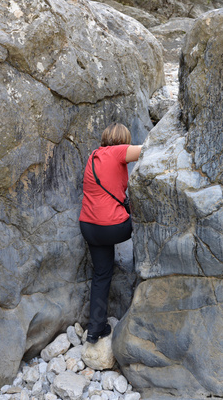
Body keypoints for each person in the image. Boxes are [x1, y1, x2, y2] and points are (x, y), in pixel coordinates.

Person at [79, 122, 142, 344]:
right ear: (123, 139)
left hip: (89, 227)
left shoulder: (94, 155)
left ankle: (95, 330)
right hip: (113, 228)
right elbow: (148, 149)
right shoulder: (118, 151)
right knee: (144, 220)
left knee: (101, 274)